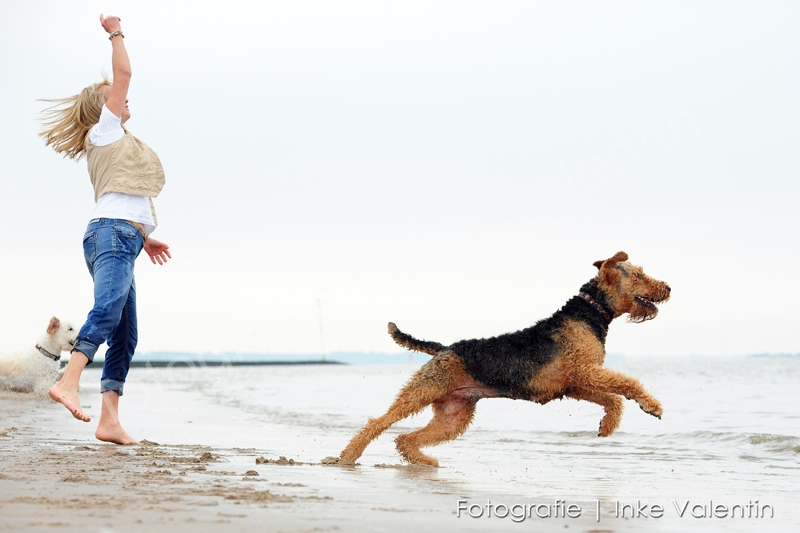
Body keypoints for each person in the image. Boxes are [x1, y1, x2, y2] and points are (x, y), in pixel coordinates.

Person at [39, 15, 171, 445]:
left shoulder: (113, 140)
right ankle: (68, 381)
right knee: (108, 311)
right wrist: (115, 32)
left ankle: (109, 421)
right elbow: (125, 73)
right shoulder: (105, 129)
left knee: (126, 334)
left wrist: (144, 237)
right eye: (112, 94)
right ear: (103, 108)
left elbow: (123, 193)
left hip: (123, 236)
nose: (121, 95)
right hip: (111, 234)